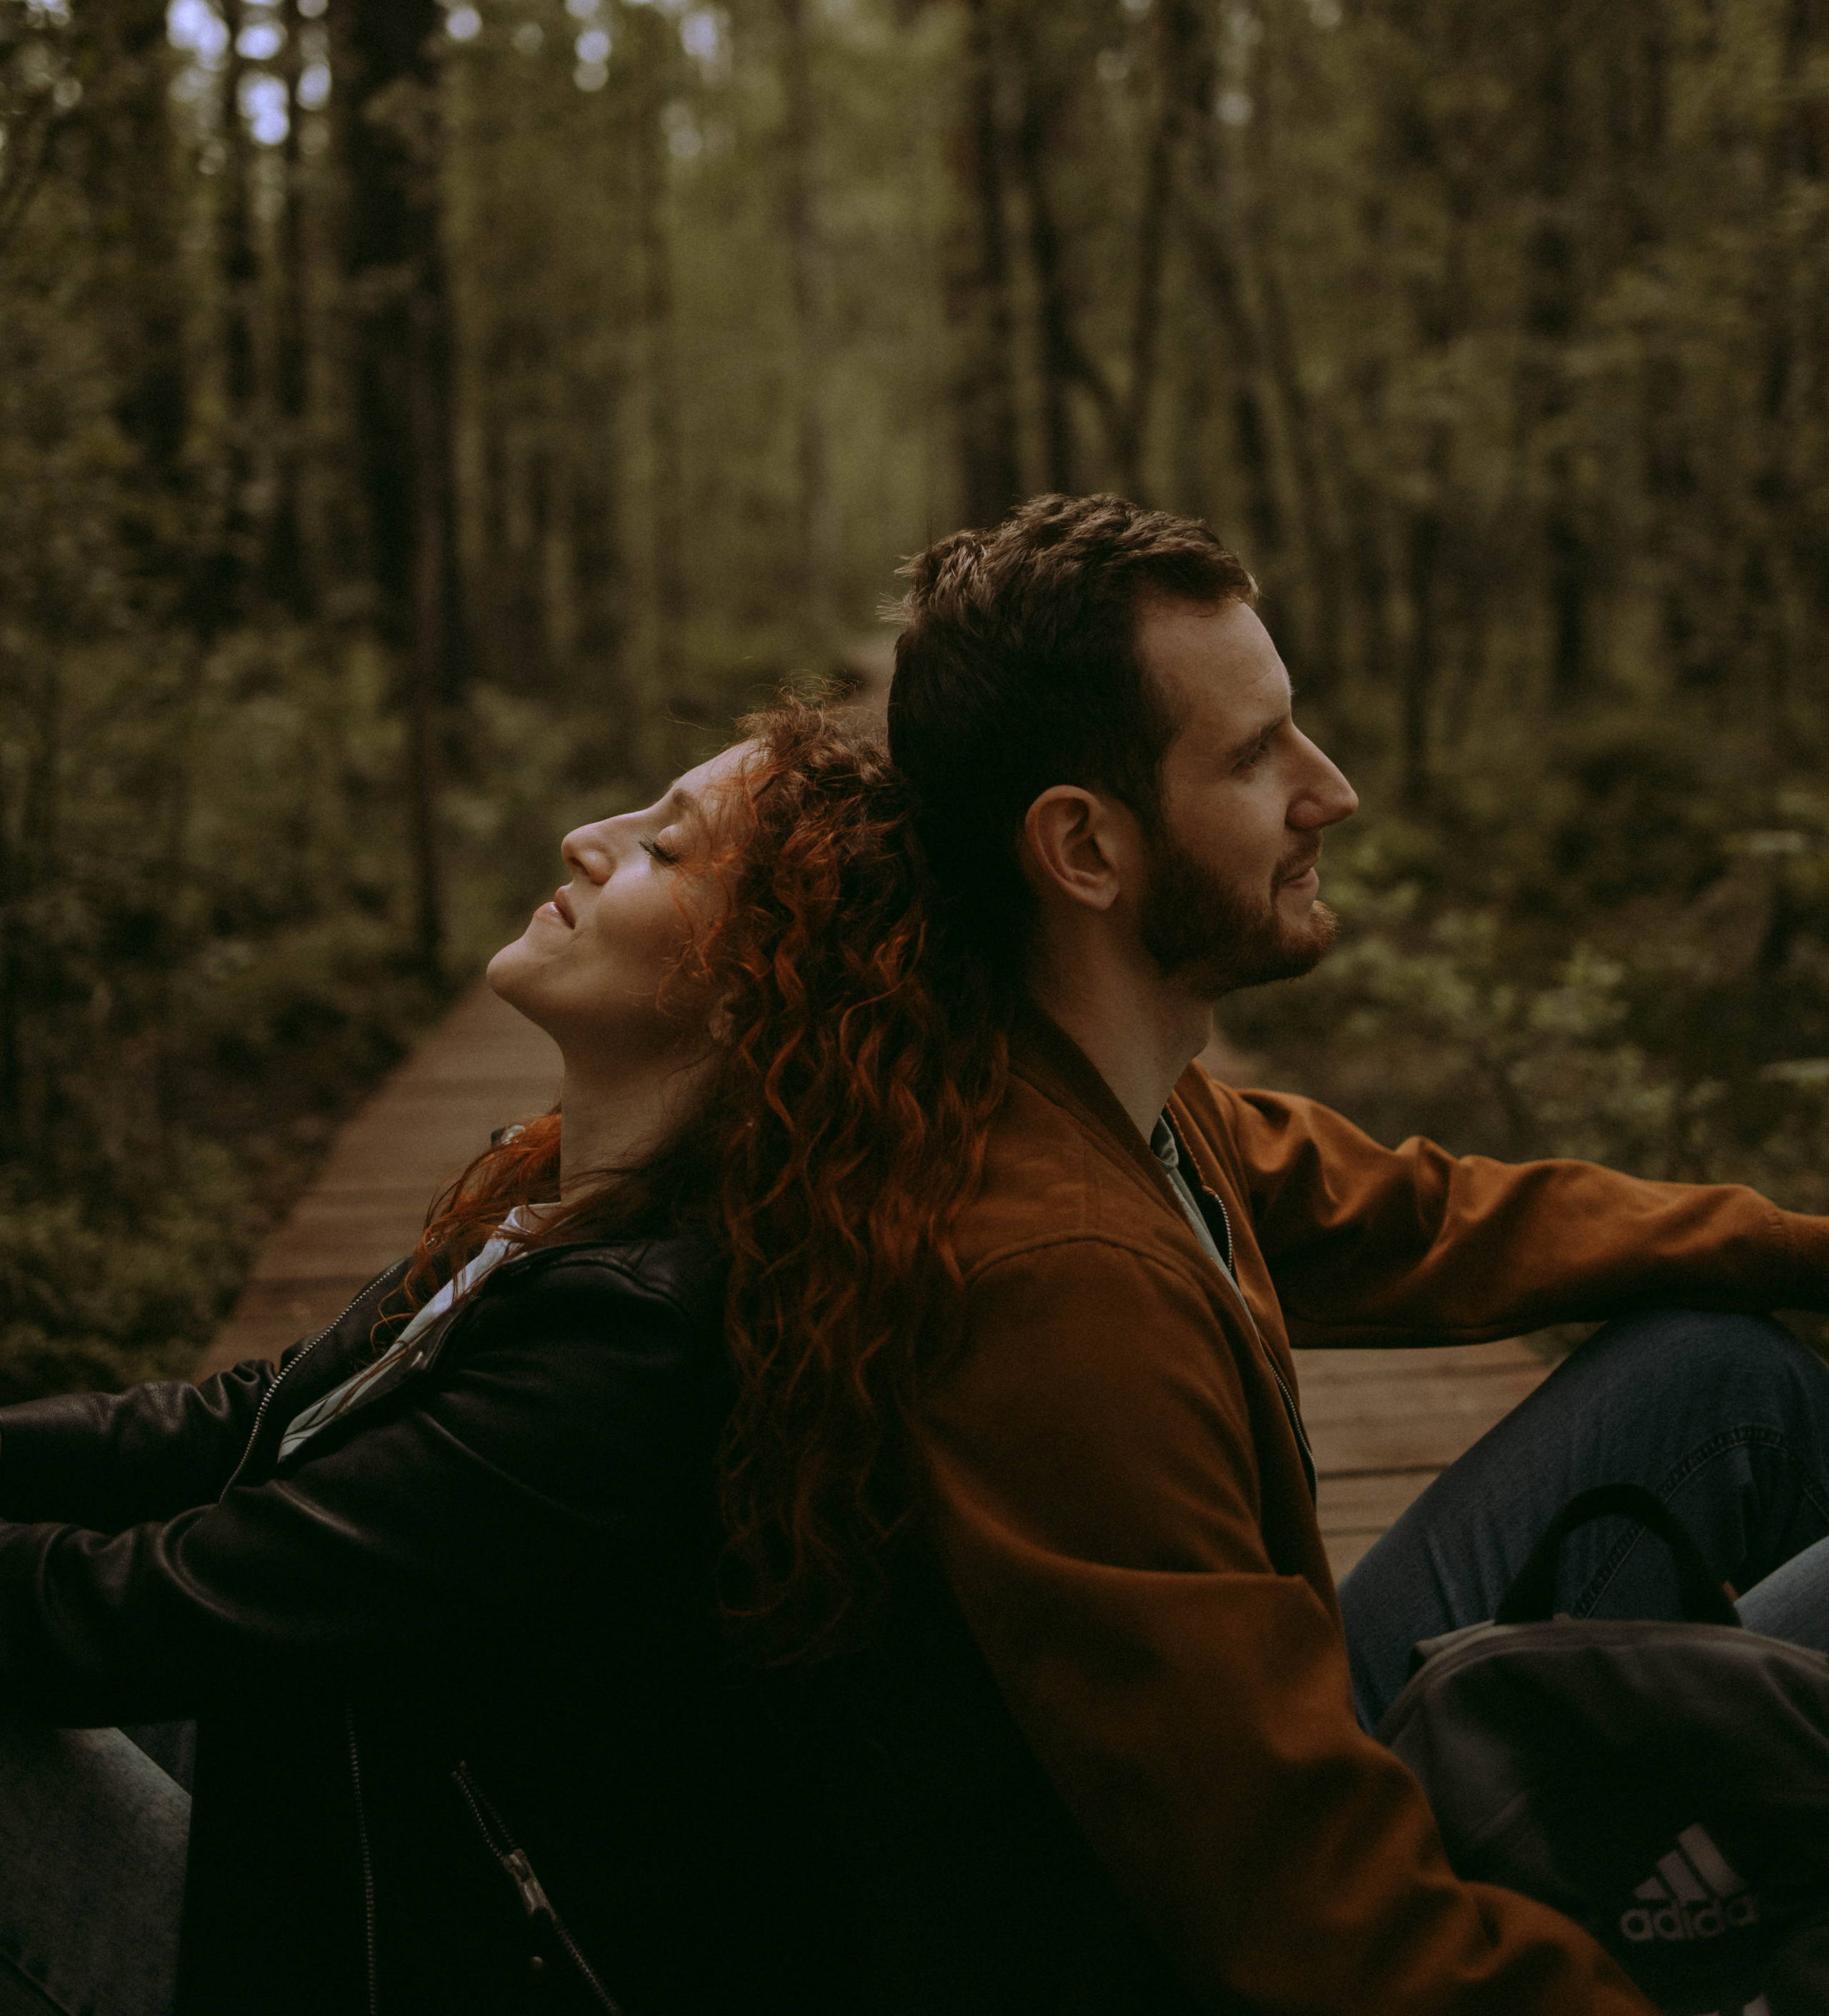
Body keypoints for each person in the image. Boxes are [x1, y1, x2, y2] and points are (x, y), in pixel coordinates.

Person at [742, 491, 1829, 2015]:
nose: (1334, 790)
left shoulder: (1103, 1090)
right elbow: (1299, 1917)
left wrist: (1805, 1248)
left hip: (1262, 1747)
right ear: (1083, 848)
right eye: (1254, 757)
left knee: (1730, 1377)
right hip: (1197, 1934)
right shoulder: (1056, 1286)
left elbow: (1436, 1216)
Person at [0, 705, 1002, 2016]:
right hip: (352, 1804)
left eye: (665, 849)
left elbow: (153, 1610)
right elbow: (236, 1420)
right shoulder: (570, 1208)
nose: (588, 839)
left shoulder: (642, 1342)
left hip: (416, 1950)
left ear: (760, 971)